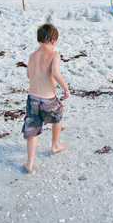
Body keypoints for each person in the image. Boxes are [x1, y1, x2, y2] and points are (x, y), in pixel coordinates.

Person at [22, 23, 70, 172]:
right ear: (54, 41)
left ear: (38, 40)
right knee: (58, 116)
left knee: (32, 129)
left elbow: (29, 75)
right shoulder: (54, 55)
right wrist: (66, 89)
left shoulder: (32, 55)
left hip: (32, 99)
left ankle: (30, 162)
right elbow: (56, 73)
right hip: (48, 99)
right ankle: (55, 145)